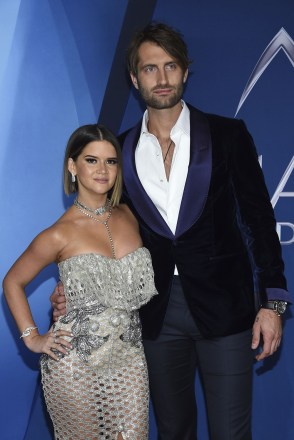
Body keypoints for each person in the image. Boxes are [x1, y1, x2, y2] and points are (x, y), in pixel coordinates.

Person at [51, 24, 290, 440]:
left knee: (231, 433)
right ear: (134, 78)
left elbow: (258, 222)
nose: (161, 79)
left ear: (184, 72)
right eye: (149, 69)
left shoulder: (227, 136)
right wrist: (69, 287)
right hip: (154, 314)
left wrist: (274, 303)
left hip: (227, 310)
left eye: (170, 66)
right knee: (173, 430)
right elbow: (100, 228)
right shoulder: (119, 151)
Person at [3, 124, 158, 440]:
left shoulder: (129, 214)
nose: (102, 170)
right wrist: (33, 338)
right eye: (91, 160)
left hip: (129, 359)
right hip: (73, 362)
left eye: (110, 161)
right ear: (72, 166)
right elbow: (12, 282)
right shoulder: (59, 233)